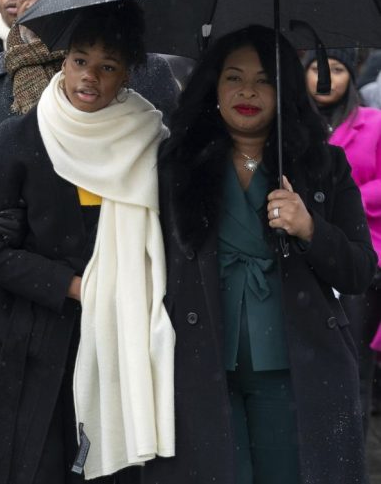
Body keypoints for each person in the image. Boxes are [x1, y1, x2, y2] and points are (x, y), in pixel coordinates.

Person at [150, 25, 376, 484]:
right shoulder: (176, 166)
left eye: (264, 79)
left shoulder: (322, 165)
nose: (247, 91)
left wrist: (310, 229)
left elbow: (360, 271)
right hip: (199, 364)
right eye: (233, 78)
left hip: (296, 371)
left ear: (285, 89)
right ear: (213, 86)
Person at [0, 0, 173, 484]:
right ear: (64, 60)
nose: (89, 78)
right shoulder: (23, 134)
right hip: (31, 339)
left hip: (122, 337)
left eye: (108, 67)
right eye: (80, 61)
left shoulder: (148, 139)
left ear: (127, 75)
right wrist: (70, 285)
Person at [303, 48, 381, 434]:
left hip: (361, 248)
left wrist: (348, 194)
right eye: (318, 68)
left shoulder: (374, 122)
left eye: (336, 69)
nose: (326, 78)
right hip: (307, 250)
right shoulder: (292, 127)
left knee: (353, 361)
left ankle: (353, 440)